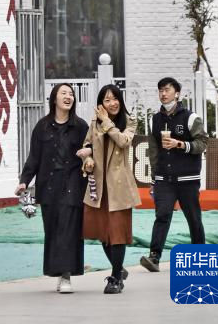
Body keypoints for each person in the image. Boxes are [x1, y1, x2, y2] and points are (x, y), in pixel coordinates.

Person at [15, 83, 88, 294]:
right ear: (54, 99)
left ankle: (66, 275)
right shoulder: (42, 126)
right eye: (63, 93)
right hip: (48, 185)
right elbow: (34, 157)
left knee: (69, 228)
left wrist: (88, 153)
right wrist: (24, 180)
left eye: (71, 94)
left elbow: (91, 149)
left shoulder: (80, 126)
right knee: (53, 229)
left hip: (73, 182)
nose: (68, 97)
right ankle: (58, 271)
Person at [140, 76, 208, 272]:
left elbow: (203, 143)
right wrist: (154, 178)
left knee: (193, 218)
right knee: (162, 215)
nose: (163, 94)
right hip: (164, 179)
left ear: (177, 93)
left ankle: (200, 256)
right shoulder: (155, 120)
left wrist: (180, 144)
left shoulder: (191, 118)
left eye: (167, 90)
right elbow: (153, 151)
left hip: (188, 179)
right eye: (160, 90)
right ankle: (154, 257)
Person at [77, 84, 140, 294]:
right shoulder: (94, 122)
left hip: (119, 188)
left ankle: (115, 279)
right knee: (102, 233)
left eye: (115, 98)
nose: (112, 103)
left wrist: (106, 121)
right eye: (107, 100)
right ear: (100, 104)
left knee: (117, 233)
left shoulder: (130, 121)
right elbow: (87, 144)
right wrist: (87, 159)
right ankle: (118, 269)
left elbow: (123, 141)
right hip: (98, 186)